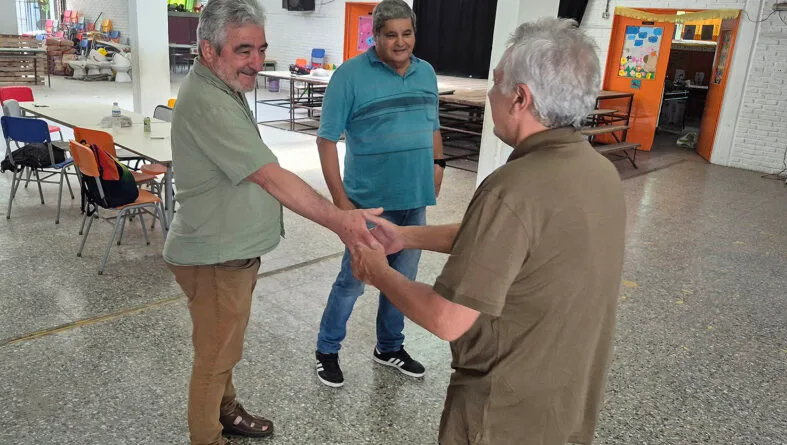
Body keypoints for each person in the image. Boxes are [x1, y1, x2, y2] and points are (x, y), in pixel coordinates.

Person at [350, 18, 627, 445]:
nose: (492, 93)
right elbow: (509, 241)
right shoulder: (600, 172)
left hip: (501, 412)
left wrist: (378, 272)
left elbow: (446, 319)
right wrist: (406, 237)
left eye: (497, 83)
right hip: (566, 404)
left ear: (520, 98)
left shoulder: (513, 188)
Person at [162, 1, 382, 444]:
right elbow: (270, 177)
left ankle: (226, 412)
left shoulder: (221, 84)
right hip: (216, 257)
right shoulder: (210, 101)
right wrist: (341, 220)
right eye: (244, 50)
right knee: (215, 359)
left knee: (223, 348)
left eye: (261, 49)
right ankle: (208, 436)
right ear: (208, 50)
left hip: (229, 251)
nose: (257, 62)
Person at [313, 0, 445, 388]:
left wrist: (439, 164)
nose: (400, 42)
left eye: (407, 33)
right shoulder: (349, 76)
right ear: (375, 36)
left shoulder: (426, 72)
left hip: (414, 201)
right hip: (369, 206)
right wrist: (342, 205)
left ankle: (389, 347)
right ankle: (326, 350)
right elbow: (325, 141)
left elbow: (433, 125)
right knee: (353, 281)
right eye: (391, 35)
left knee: (401, 281)